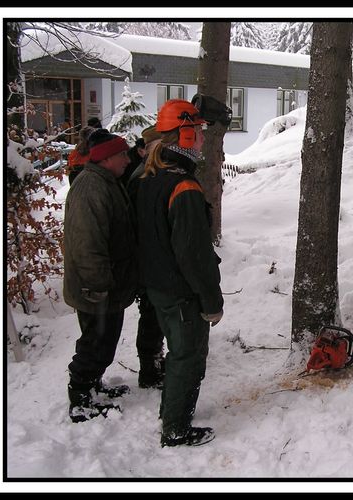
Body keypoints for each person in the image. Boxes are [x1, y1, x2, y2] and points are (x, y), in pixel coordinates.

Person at [136, 99, 224, 447]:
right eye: (198, 131)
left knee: (177, 355)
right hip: (181, 291)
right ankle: (175, 429)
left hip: (158, 286)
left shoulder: (148, 177)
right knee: (187, 357)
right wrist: (211, 300)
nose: (202, 138)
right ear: (184, 136)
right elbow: (194, 255)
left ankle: (170, 412)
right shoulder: (183, 187)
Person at [63, 129, 137, 423]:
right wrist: (98, 285)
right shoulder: (92, 188)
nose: (127, 159)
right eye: (122, 154)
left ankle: (92, 387)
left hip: (107, 285)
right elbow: (86, 244)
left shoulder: (107, 182)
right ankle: (80, 399)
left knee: (103, 341)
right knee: (96, 344)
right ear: (107, 158)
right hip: (95, 288)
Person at [126, 125, 166, 389]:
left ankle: (152, 362)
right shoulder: (144, 176)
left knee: (153, 316)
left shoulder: (147, 173)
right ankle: (148, 369)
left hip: (149, 258)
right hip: (147, 260)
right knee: (151, 316)